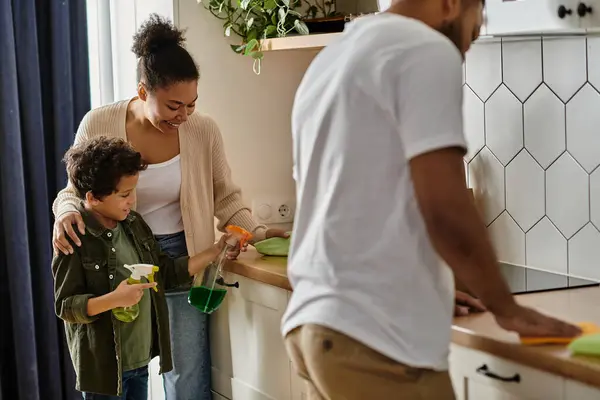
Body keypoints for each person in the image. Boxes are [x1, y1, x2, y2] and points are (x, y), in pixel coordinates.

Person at [281, 0, 582, 399]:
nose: (466, 49)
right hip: (375, 344)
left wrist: (425, 286)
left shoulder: (331, 59)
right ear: (451, 4)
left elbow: (345, 204)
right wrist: (509, 310)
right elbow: (446, 212)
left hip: (315, 329)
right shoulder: (423, 49)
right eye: (472, 32)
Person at [51, 14, 288, 400]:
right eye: (174, 106)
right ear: (143, 92)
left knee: (187, 375)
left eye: (192, 104)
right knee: (127, 373)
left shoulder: (202, 130)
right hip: (118, 261)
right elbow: (74, 192)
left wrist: (256, 232)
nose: (183, 116)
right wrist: (65, 214)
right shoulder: (99, 122)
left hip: (182, 260)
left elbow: (226, 197)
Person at [53, 137, 232, 399]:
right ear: (93, 198)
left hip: (140, 361)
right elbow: (66, 306)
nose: (132, 200)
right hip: (105, 371)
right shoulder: (74, 239)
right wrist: (115, 299)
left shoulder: (134, 224)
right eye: (124, 195)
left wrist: (215, 251)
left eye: (134, 190)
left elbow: (166, 272)